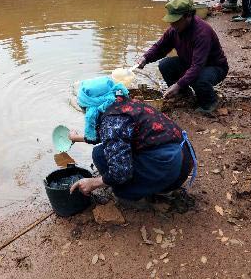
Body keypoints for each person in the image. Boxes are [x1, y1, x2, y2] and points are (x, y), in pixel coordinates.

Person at [67, 77, 197, 203]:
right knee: (102, 152)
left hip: (169, 166)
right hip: (183, 157)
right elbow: (109, 135)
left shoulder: (111, 122)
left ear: (91, 109)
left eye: (85, 109)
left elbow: (120, 171)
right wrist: (76, 138)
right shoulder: (123, 103)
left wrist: (93, 182)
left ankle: (143, 192)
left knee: (101, 156)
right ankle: (156, 184)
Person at [136, 0, 229, 115]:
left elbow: (197, 66)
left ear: (188, 16)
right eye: (171, 21)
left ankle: (210, 102)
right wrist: (145, 58)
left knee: (199, 78)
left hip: (214, 67)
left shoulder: (202, 33)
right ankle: (184, 94)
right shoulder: (174, 29)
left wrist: (178, 84)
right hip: (190, 62)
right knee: (165, 65)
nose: (172, 24)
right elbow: (160, 47)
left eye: (176, 21)